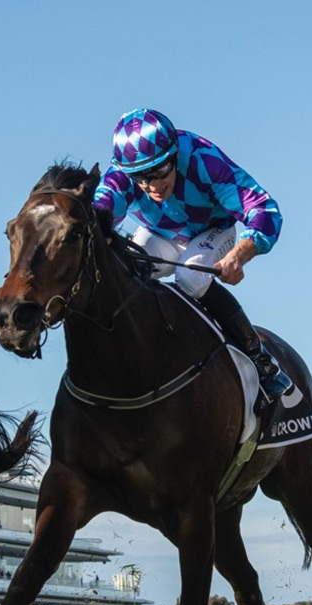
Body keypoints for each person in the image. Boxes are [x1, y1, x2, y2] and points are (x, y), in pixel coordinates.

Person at [93, 108, 291, 405]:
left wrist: (239, 255)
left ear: (174, 155)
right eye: (141, 178)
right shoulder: (119, 179)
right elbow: (95, 219)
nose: (154, 185)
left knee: (190, 276)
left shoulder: (203, 160)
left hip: (212, 232)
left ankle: (261, 361)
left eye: (160, 171)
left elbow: (265, 211)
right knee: (125, 270)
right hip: (160, 235)